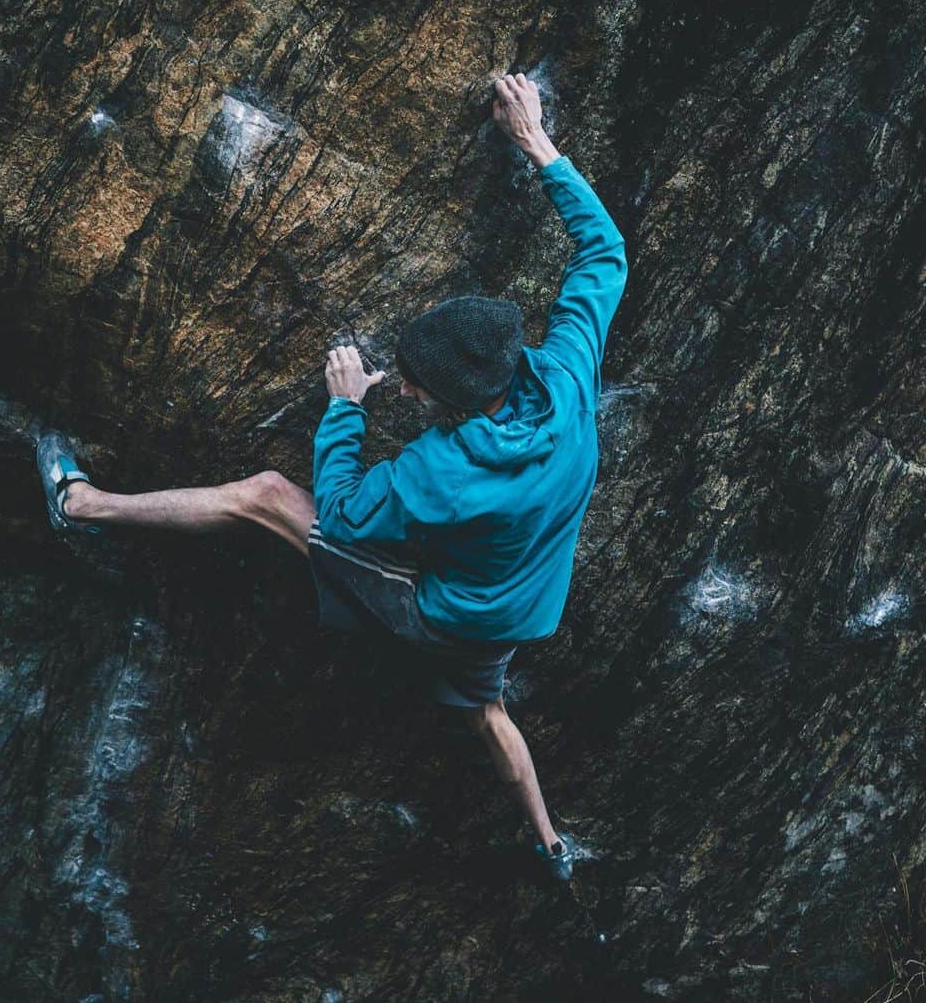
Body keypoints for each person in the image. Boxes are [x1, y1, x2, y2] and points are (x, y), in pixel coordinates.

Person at [36, 71, 628, 881]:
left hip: (444, 612)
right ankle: (551, 844)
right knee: (488, 711)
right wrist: (535, 141)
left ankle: (83, 505)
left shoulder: (441, 471)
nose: (405, 385)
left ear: (453, 403)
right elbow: (605, 251)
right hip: (517, 612)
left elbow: (344, 518)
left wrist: (346, 407)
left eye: (414, 383)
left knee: (268, 498)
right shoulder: (565, 374)